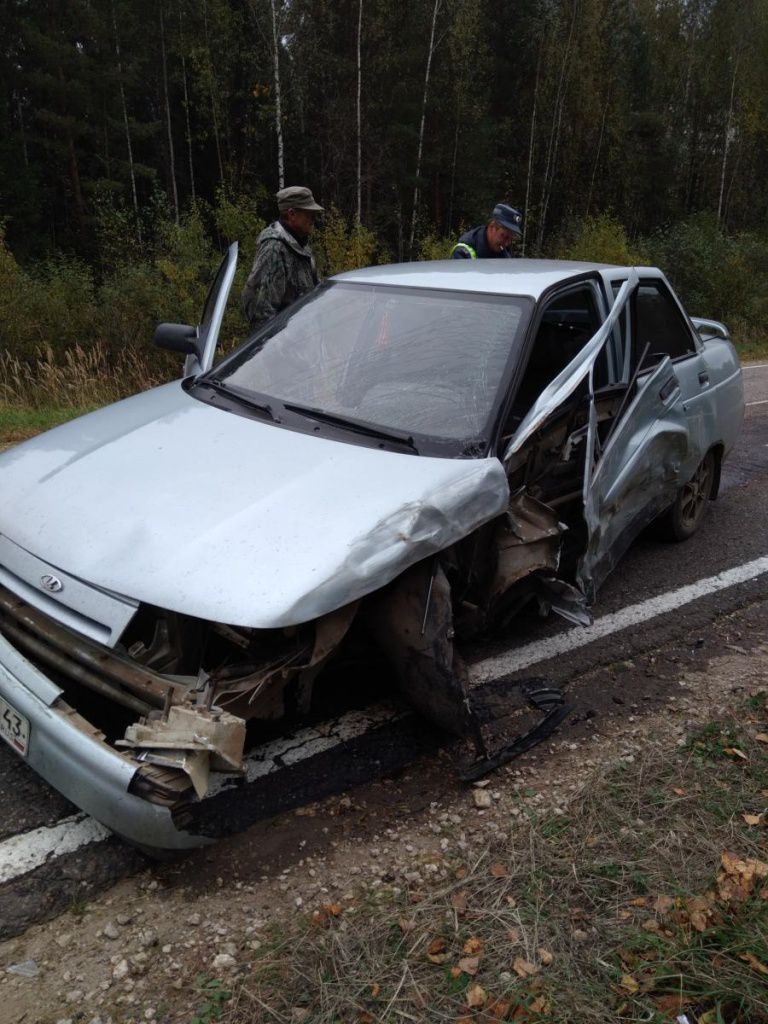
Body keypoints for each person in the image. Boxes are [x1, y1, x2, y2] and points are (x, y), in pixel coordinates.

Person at [241, 186, 323, 328]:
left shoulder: (301, 246)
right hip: (283, 345)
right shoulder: (274, 249)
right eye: (309, 214)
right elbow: (261, 314)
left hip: (304, 341)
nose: (313, 219)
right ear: (291, 214)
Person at [450, 203, 523, 259]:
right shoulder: (463, 252)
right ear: (492, 227)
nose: (506, 243)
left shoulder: (503, 252)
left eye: (510, 239)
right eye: (505, 236)